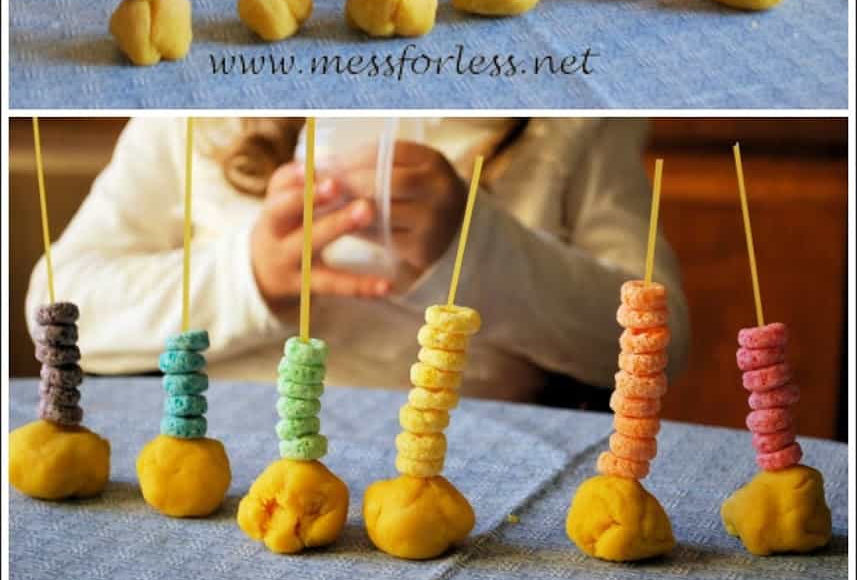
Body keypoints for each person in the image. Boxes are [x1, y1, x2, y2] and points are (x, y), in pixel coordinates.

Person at [26, 116, 690, 404]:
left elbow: (659, 343)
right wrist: (245, 276)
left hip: (467, 478)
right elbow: (57, 302)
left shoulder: (568, 126)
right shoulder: (199, 112)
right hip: (208, 457)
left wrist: (472, 249)